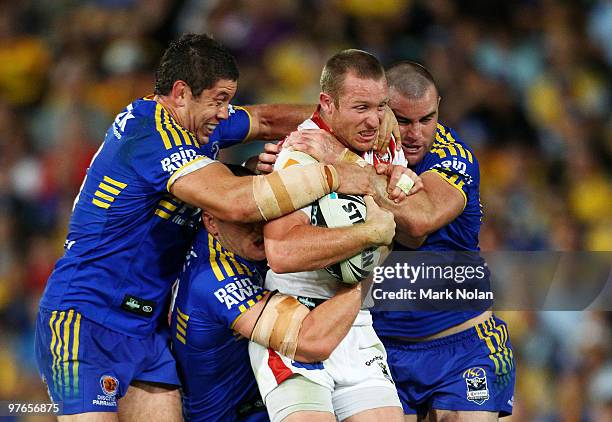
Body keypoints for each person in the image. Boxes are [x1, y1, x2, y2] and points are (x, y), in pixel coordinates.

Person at [34, 34, 402, 421]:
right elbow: (235, 202)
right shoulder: (150, 135)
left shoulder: (199, 124)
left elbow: (266, 119)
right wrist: (334, 173)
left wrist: (350, 116)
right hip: (85, 317)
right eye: (220, 100)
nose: (227, 113)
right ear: (181, 94)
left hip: (146, 329)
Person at [265, 61, 516, 421]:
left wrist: (342, 166)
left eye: (427, 119)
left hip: (461, 347)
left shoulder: (452, 156)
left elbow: (417, 224)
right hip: (383, 346)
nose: (415, 133)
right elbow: (284, 120)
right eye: (402, 119)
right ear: (382, 109)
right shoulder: (360, 142)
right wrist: (276, 161)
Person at [249, 50, 422, 422]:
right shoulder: (298, 156)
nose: (374, 120)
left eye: (381, 107)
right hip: (296, 321)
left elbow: (412, 221)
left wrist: (356, 166)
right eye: (361, 107)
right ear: (327, 103)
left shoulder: (383, 143)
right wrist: (366, 235)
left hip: (355, 322)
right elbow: (282, 251)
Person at [171, 164, 396, 421]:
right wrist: (363, 269)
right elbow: (311, 343)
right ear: (211, 222)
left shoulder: (229, 239)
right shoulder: (215, 281)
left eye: (263, 215)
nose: (258, 228)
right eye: (246, 220)